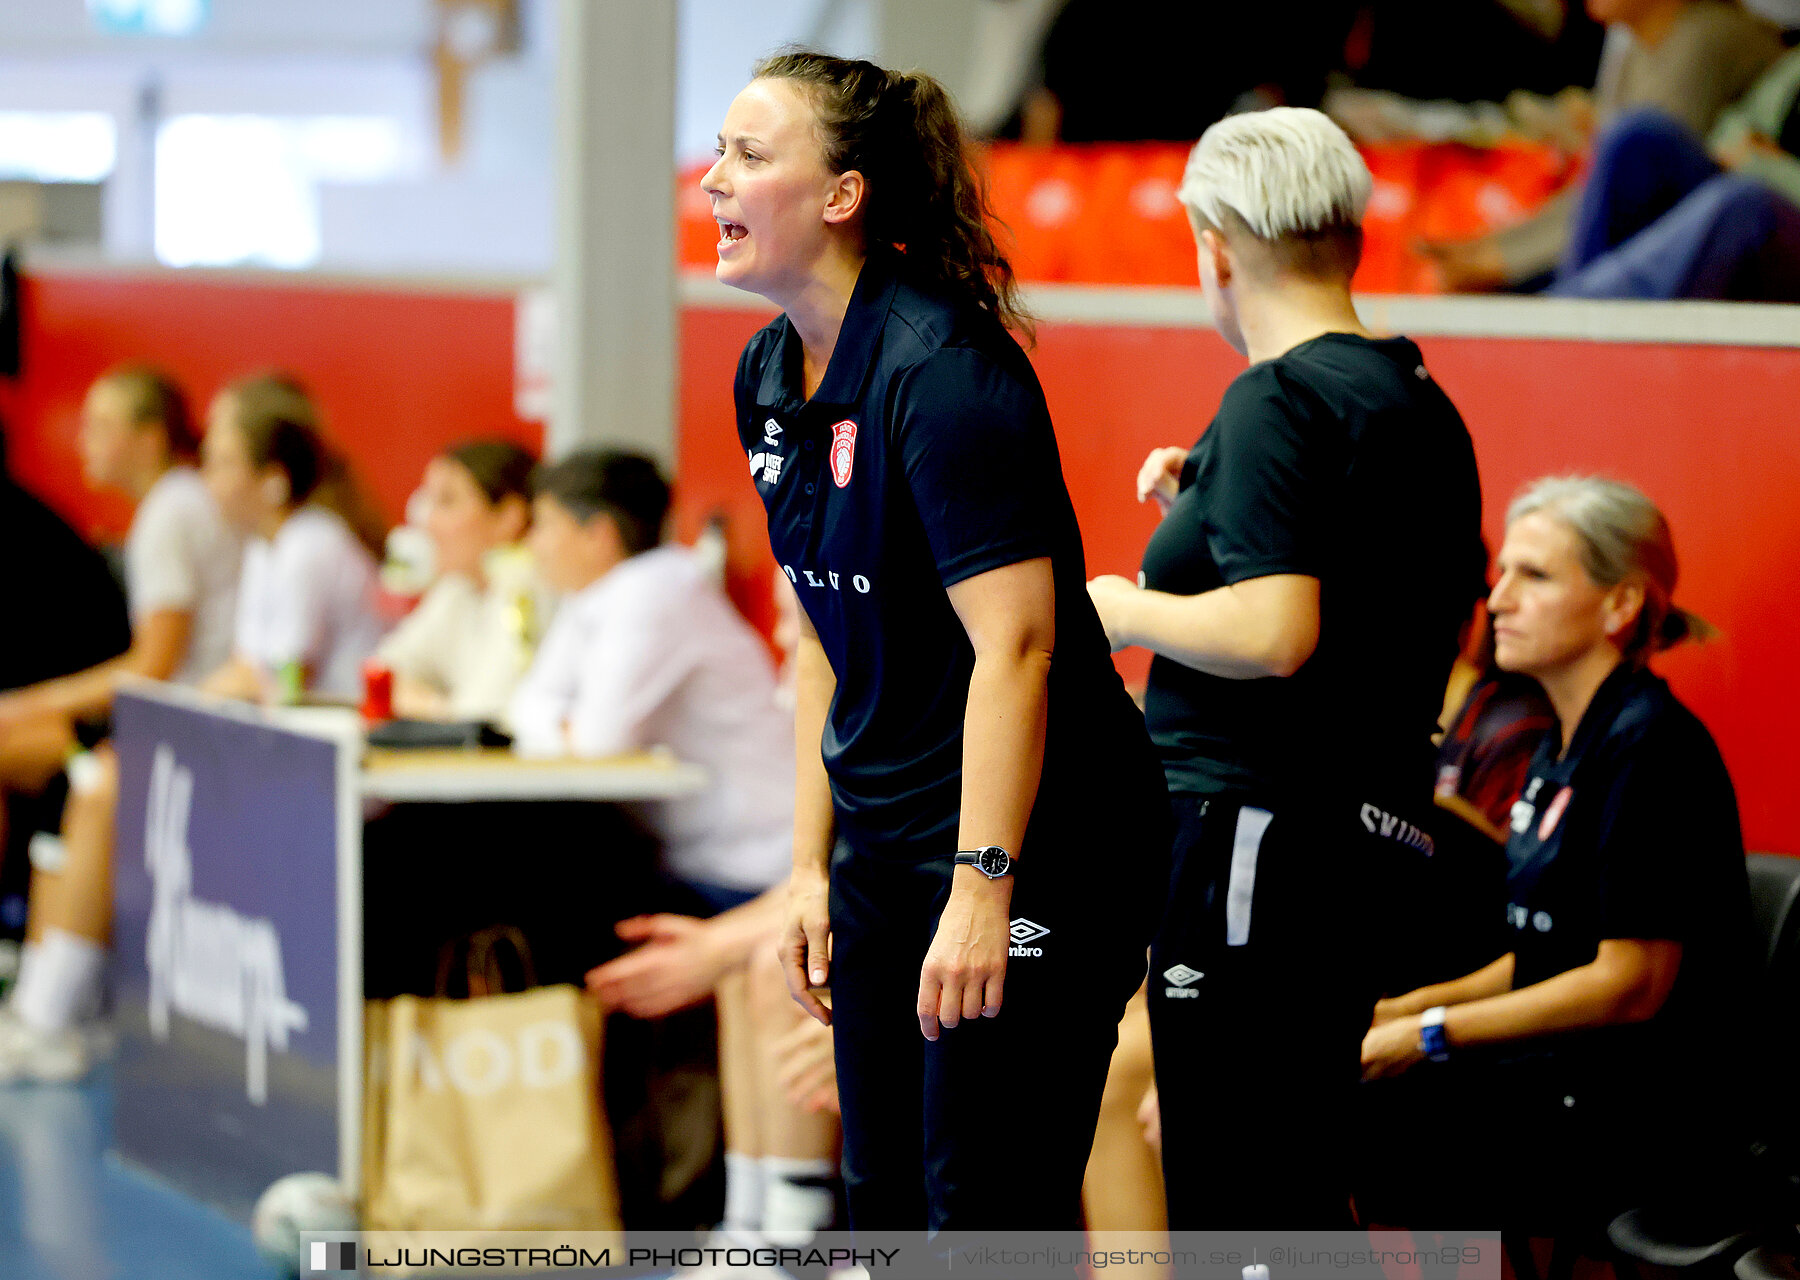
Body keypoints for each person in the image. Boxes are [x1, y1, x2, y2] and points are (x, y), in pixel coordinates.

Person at [706, 48, 1170, 1230]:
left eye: (750, 156)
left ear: (842, 195)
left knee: (984, 1212)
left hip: (1038, 845)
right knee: (884, 1198)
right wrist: (810, 865)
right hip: (885, 842)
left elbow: (1017, 650)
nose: (713, 180)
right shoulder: (769, 370)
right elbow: (826, 637)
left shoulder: (945, 370)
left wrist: (981, 885)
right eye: (718, 152)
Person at [1086, 107, 1484, 1228]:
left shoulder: (1275, 397)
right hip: (1359, 835)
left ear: (1214, 246)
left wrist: (1127, 606)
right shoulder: (1413, 396)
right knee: (1291, 1178)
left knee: (1239, 1191)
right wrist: (1203, 507)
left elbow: (1277, 633)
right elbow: (1381, 597)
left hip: (1260, 830)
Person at [1359, 476, 1752, 1232]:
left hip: (1640, 1113)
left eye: (1532, 576)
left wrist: (1428, 1033)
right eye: (1503, 573)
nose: (1498, 599)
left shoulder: (1650, 747)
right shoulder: (1561, 742)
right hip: (1559, 1077)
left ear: (1621, 603)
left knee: (1294, 1117)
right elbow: (1549, 953)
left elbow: (1628, 983)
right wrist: (1404, 1008)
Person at [0, 367, 241, 1083]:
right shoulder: (165, 512)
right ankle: (39, 977)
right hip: (161, 727)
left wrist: (33, 703)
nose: (84, 440)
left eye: (103, 425)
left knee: (52, 766)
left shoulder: (171, 513)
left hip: (186, 736)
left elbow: (153, 665)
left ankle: (51, 1006)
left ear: (150, 436)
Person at [1425, 0, 1782, 292]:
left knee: (1635, 138)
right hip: (1668, 238)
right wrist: (1496, 249)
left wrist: (1504, 258)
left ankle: (1570, 312)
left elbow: (1636, 189)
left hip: (1743, 232)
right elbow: (1601, 187)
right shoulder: (1638, 50)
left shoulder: (1706, 36)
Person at [1549, 43, 1800, 300]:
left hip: (1772, 197)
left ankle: (1579, 311)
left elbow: (1749, 157)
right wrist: (1747, 149)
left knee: (1745, 205)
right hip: (1747, 172)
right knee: (1639, 134)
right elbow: (1738, 123)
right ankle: (1568, 314)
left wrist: (1759, 162)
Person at [198, 373, 388, 704]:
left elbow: (288, 678)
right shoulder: (262, 545)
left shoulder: (310, 544)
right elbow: (247, 663)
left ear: (274, 480)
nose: (209, 480)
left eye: (226, 464)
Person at [373, 439, 548, 725]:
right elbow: (379, 675)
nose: (429, 522)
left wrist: (425, 705)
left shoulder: (531, 590)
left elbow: (484, 721)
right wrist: (439, 708)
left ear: (508, 516)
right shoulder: (458, 588)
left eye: (447, 502)